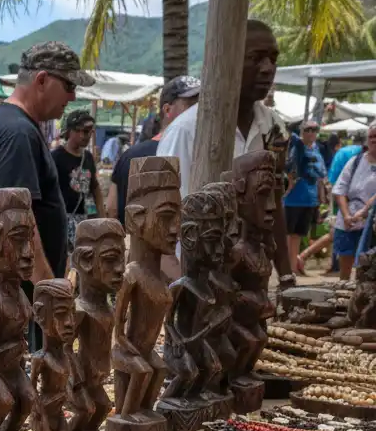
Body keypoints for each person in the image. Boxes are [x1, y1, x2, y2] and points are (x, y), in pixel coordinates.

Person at [157, 19, 296, 285]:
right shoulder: (187, 130)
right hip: (195, 278)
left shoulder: (273, 126)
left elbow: (274, 202)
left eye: (273, 59)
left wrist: (286, 274)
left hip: (250, 276)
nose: (268, 68)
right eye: (255, 58)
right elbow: (165, 216)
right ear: (228, 61)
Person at [0, 41, 92, 290]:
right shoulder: (17, 132)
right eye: (69, 86)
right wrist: (49, 289)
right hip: (17, 291)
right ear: (42, 80)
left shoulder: (13, 124)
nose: (73, 96)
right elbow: (19, 222)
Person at [107, 75, 200, 226]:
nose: (197, 112)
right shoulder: (189, 155)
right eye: (191, 106)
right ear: (167, 110)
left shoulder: (129, 155)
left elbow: (111, 208)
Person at [52, 108, 103, 256]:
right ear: (70, 131)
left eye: (89, 132)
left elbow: (94, 188)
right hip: (61, 221)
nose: (86, 136)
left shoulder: (88, 157)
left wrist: (102, 218)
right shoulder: (56, 157)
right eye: (83, 131)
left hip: (85, 220)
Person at [331, 124, 376, 279]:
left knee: (368, 271)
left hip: (371, 224)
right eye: (371, 137)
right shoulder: (355, 161)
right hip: (349, 221)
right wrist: (346, 215)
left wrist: (364, 212)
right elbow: (340, 189)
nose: (374, 140)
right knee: (345, 270)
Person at [284, 121, 326, 273]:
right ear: (302, 131)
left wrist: (321, 199)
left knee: (298, 235)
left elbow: (320, 177)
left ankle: (293, 268)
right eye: (307, 129)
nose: (311, 132)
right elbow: (288, 168)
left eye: (314, 129)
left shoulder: (316, 149)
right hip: (293, 199)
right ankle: (287, 269)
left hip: (309, 199)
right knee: (289, 235)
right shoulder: (297, 146)